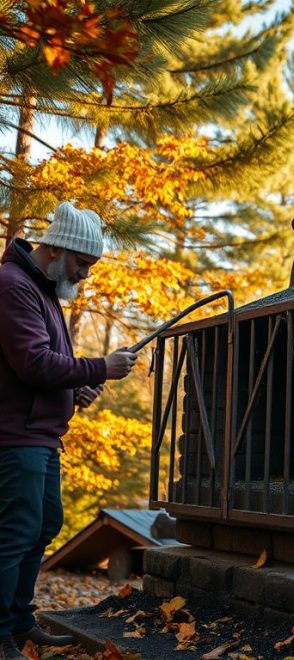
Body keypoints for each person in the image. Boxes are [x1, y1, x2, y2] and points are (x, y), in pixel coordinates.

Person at [0, 202, 138, 660]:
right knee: (16, 533)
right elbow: (34, 363)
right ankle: (1, 635)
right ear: (58, 249)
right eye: (83, 263)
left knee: (45, 524)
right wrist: (100, 366)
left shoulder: (44, 292)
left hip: (42, 433)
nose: (85, 274)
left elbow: (39, 367)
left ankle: (20, 622)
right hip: (16, 435)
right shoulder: (13, 286)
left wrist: (76, 388)